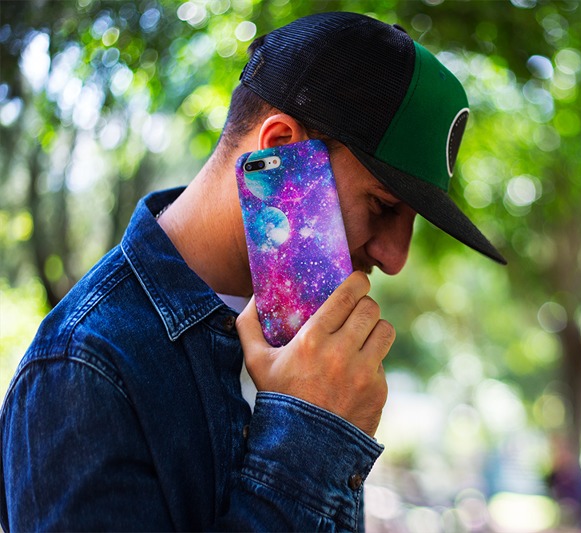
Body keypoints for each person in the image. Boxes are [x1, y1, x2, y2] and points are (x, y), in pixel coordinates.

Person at [0, 11, 506, 531]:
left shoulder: (308, 344)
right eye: (382, 205)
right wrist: (310, 433)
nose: (395, 258)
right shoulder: (82, 368)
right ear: (281, 148)